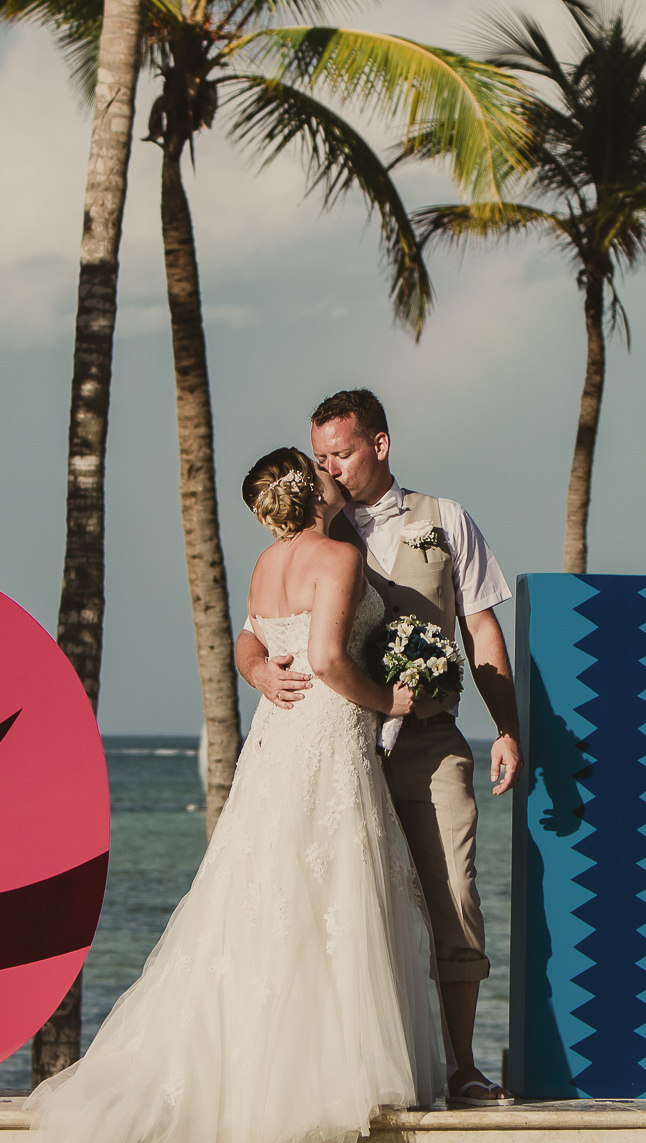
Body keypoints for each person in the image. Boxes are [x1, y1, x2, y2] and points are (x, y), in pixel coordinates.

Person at [25, 447, 446, 1143]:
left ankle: (269, 1062)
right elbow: (332, 659)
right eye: (320, 470)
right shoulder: (336, 559)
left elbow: (252, 640)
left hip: (277, 743)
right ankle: (324, 1074)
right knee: (326, 890)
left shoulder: (265, 564)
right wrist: (391, 700)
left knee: (269, 891)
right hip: (327, 733)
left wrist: (257, 672)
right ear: (311, 492)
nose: (331, 472)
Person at [235, 389, 522, 1107]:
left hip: (427, 741)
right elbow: (256, 630)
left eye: (341, 451)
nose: (327, 465)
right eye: (320, 454)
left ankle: (462, 1066)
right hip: (336, 747)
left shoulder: (444, 520)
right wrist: (257, 668)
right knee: (337, 903)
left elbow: (482, 632)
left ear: (380, 444)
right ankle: (337, 1065)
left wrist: (508, 726)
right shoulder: (307, 536)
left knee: (453, 894)